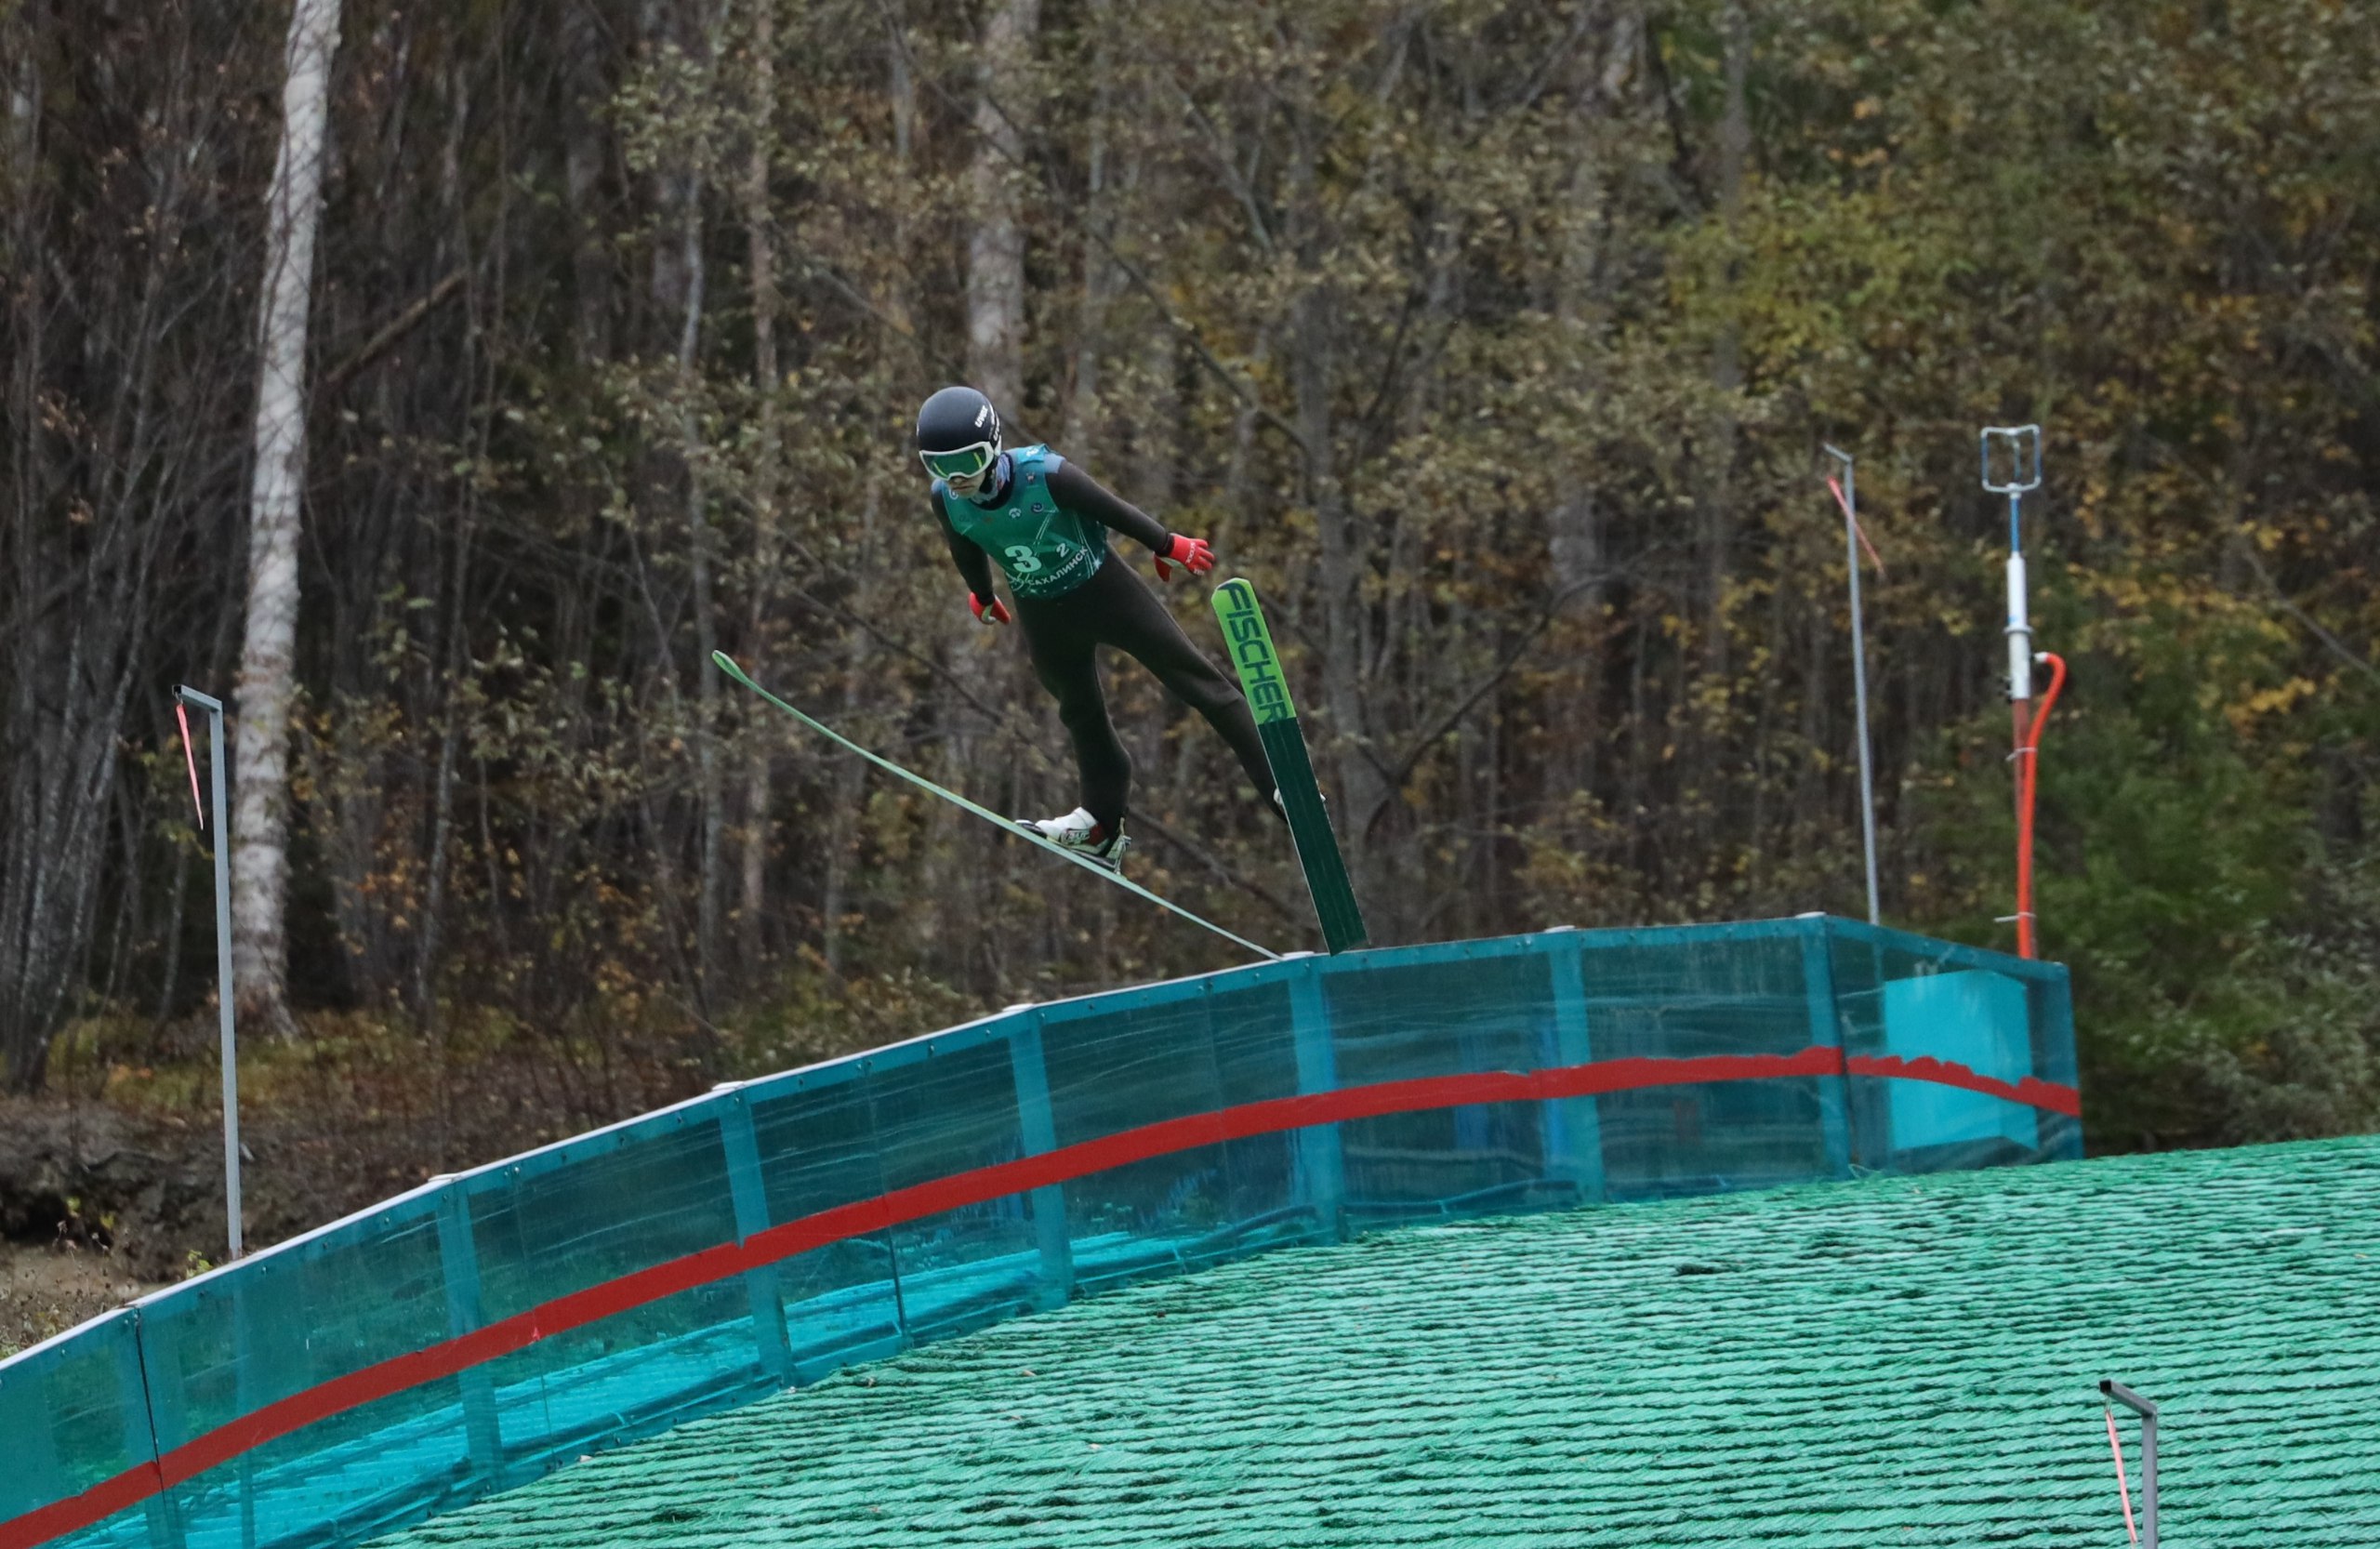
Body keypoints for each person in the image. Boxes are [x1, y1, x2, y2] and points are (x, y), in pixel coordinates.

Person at [914, 384, 1277, 869]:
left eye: (966, 460)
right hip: (1042, 611)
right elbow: (963, 546)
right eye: (939, 465)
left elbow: (1113, 510)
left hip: (1105, 591)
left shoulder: (1046, 475)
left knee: (1196, 680)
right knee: (1079, 712)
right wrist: (982, 593)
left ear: (994, 445)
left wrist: (1167, 543)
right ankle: (1102, 826)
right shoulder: (947, 500)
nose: (954, 477)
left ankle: (1279, 784)